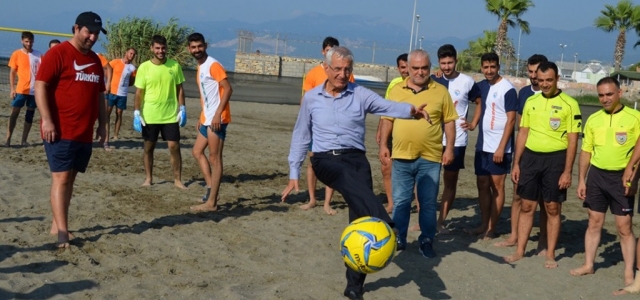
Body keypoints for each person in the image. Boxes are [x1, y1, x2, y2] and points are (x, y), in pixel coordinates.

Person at [281, 46, 430, 300]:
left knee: (359, 223)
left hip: (356, 159)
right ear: (325, 68)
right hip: (325, 160)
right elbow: (301, 134)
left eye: (347, 69)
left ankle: (354, 286)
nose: (342, 74)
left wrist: (412, 111)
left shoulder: (360, 94)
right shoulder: (312, 98)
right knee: (345, 177)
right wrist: (294, 171)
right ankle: (387, 223)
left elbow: (387, 106)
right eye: (337, 69)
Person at [35, 11, 107, 248]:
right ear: (76, 28)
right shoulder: (58, 54)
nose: (93, 38)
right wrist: (47, 120)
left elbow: (99, 95)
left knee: (71, 179)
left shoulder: (96, 60)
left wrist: (103, 124)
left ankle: (57, 224)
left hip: (84, 131)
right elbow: (41, 86)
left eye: (96, 33)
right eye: (88, 32)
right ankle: (63, 233)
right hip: (60, 129)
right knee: (61, 178)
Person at [379, 49, 457, 258]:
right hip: (401, 156)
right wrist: (383, 145)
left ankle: (427, 240)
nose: (420, 72)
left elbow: (449, 121)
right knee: (401, 201)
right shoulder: (396, 90)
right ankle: (400, 238)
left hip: (430, 158)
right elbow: (387, 119)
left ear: (430, 68)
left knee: (428, 203)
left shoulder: (440, 91)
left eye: (424, 68)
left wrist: (449, 148)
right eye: (415, 68)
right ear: (408, 68)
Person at [504, 61, 581, 268]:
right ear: (536, 80)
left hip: (556, 159)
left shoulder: (570, 104)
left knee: (552, 207)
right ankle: (520, 250)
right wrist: (517, 163)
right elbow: (523, 133)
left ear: (557, 79)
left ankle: (550, 254)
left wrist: (567, 171)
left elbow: (573, 140)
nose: (545, 84)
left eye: (549, 80)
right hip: (530, 158)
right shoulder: (531, 101)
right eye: (541, 80)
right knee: (527, 205)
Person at [569, 77, 639, 288]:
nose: (605, 99)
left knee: (624, 227)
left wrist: (633, 176)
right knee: (594, 221)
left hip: (622, 178)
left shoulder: (635, 117)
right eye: (601, 95)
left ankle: (629, 273)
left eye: (609, 94)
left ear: (620, 93)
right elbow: (586, 151)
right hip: (597, 176)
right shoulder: (594, 119)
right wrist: (581, 179)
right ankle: (589, 264)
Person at [294, 36, 354, 215]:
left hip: (337, 125)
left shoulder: (345, 73)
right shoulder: (313, 73)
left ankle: (328, 202)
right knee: (313, 161)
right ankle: (312, 199)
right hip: (315, 124)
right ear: (323, 52)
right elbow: (305, 99)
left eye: (333, 51)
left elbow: (352, 97)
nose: (330, 53)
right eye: (328, 50)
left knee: (332, 162)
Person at [494, 54, 549, 249]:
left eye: (537, 71)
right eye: (531, 71)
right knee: (517, 195)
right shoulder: (524, 93)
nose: (534, 75)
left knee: (544, 202)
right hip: (524, 154)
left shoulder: (551, 95)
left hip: (546, 155)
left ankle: (543, 240)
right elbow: (519, 125)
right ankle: (513, 236)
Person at [466, 53, 517, 240]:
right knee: (482, 184)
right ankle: (483, 223)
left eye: (493, 67)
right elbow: (467, 94)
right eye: (486, 67)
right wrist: (472, 123)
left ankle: (492, 228)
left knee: (497, 187)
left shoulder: (508, 89)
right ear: (481, 68)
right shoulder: (481, 86)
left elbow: (511, 121)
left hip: (500, 148)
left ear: (498, 66)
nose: (489, 71)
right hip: (482, 146)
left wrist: (501, 148)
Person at [432, 44, 481, 234]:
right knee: (428, 180)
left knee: (449, 181)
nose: (446, 66)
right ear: (439, 63)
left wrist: (473, 123)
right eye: (443, 63)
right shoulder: (434, 80)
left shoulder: (467, 82)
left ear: (456, 61)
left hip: (457, 140)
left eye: (449, 62)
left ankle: (440, 221)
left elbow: (479, 101)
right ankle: (425, 219)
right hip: (434, 138)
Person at [187, 33, 233, 212]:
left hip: (217, 120)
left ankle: (212, 202)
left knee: (215, 159)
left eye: (199, 46)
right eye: (193, 47)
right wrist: (202, 115)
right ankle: (210, 188)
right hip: (207, 118)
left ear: (205, 46)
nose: (197, 50)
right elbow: (207, 95)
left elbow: (228, 89)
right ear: (189, 49)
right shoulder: (201, 66)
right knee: (197, 151)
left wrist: (217, 114)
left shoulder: (213, 65)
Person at [133, 34, 187, 189]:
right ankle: (148, 178)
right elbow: (138, 92)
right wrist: (137, 112)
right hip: (150, 115)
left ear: (166, 48)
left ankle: (177, 180)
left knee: (174, 146)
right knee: (149, 147)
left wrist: (182, 108)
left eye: (163, 48)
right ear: (152, 48)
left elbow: (180, 89)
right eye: (157, 48)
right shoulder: (144, 67)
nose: (160, 51)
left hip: (170, 115)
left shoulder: (174, 66)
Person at [375, 53, 408, 214]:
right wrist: (380, 130)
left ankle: (412, 204)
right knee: (386, 168)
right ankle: (391, 203)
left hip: (408, 135)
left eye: (409, 66)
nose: (406, 70)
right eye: (403, 67)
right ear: (398, 68)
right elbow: (385, 109)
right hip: (391, 132)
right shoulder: (394, 84)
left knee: (410, 171)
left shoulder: (421, 84)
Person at [5, 31, 42, 147]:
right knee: (14, 113)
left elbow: (42, 72)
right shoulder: (16, 54)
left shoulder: (38, 55)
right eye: (26, 41)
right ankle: (8, 139)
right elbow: (12, 72)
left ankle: (24, 140)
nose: (29, 43)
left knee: (30, 114)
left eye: (30, 41)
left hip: (34, 90)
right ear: (22, 41)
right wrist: (12, 88)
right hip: (21, 89)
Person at [106, 48, 137, 141]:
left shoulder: (132, 68)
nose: (132, 55)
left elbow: (131, 82)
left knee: (119, 114)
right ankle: (105, 134)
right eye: (131, 53)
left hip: (122, 94)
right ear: (126, 53)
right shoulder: (115, 62)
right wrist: (108, 83)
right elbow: (107, 70)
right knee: (107, 113)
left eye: (134, 54)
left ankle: (116, 135)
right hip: (112, 92)